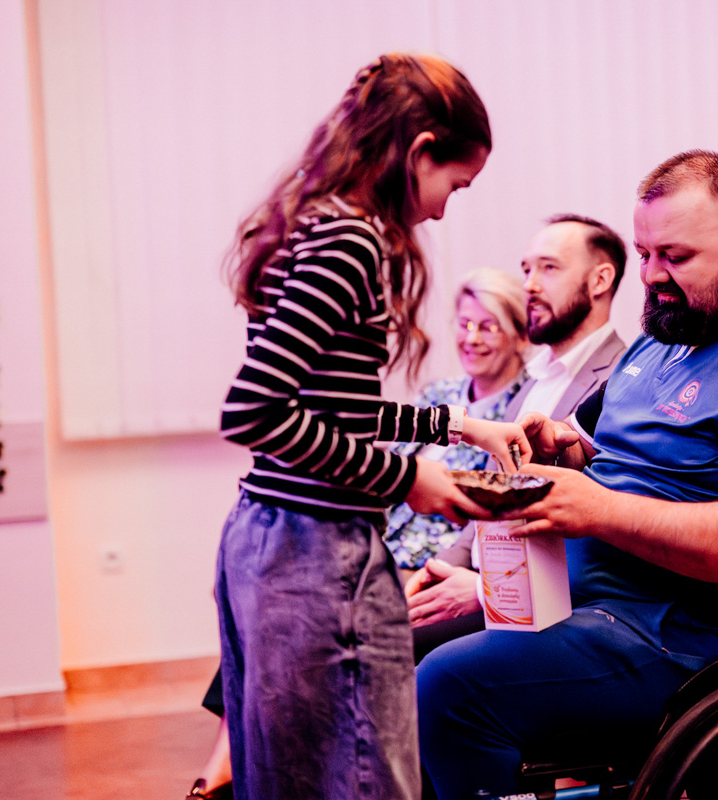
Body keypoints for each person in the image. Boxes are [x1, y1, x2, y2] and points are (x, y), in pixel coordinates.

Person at [414, 150, 718, 799]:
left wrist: (598, 509)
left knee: (449, 688)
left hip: (689, 641)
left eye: (676, 257)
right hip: (587, 604)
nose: (652, 276)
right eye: (645, 253)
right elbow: (591, 441)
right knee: (394, 645)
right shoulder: (666, 339)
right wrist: (558, 444)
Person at [209, 54, 530, 800]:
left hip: (269, 537)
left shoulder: (308, 226)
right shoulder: (351, 242)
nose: (444, 211)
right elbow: (255, 410)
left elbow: (332, 405)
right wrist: (407, 477)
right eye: (455, 185)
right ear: (420, 151)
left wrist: (459, 428)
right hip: (316, 556)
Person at [403, 214, 628, 654]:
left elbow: (596, 531)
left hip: (544, 603)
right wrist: (435, 570)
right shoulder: (530, 383)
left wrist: (486, 588)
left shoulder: (621, 379)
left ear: (600, 280)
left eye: (549, 268)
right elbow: (491, 502)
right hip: (481, 578)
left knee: (388, 656)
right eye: (526, 269)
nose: (529, 285)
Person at [384, 267, 532, 570]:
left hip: (439, 566)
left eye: (489, 327)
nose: (472, 339)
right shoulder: (437, 394)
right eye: (465, 325)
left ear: (521, 337)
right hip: (381, 549)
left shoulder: (524, 411)